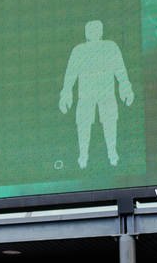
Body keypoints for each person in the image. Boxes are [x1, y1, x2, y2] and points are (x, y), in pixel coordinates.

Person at [57, 19, 133, 170]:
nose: (93, 32)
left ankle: (112, 154)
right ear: (86, 33)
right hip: (86, 94)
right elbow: (71, 73)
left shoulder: (110, 47)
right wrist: (66, 93)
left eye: (96, 29)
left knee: (110, 123)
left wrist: (126, 87)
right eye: (90, 30)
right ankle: (83, 156)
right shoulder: (79, 50)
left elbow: (120, 69)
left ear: (101, 31)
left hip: (106, 93)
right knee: (83, 125)